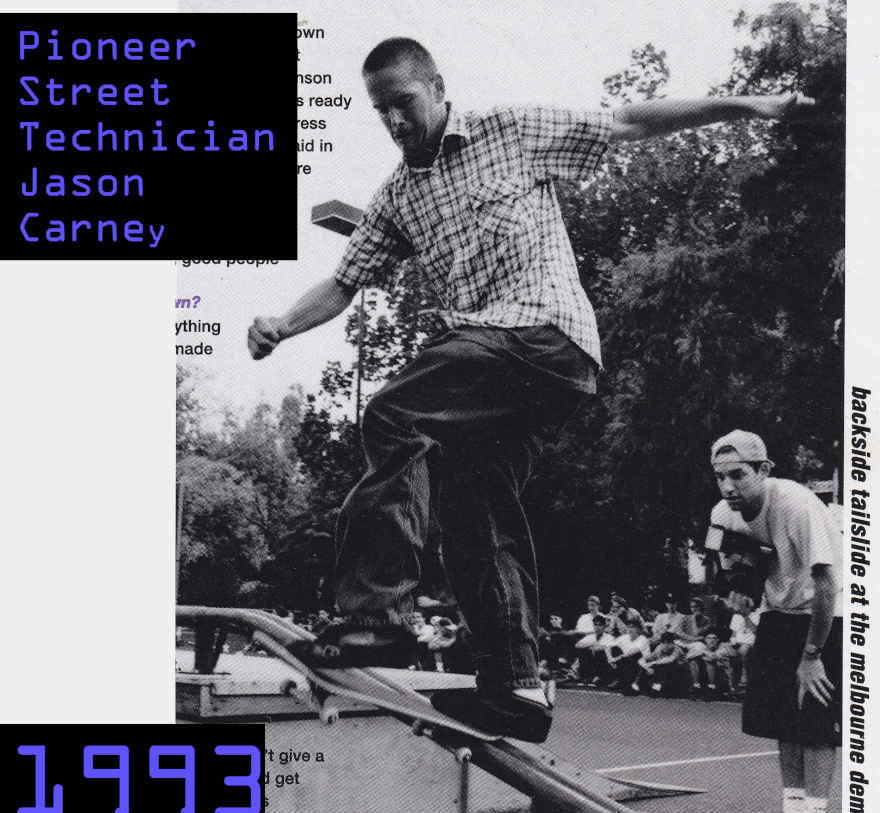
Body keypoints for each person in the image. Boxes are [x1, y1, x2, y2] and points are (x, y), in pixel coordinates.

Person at [247, 35, 816, 742]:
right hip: (503, 377)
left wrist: (748, 104)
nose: (393, 121)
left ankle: (376, 619)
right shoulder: (397, 196)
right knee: (474, 510)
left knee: (393, 413)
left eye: (404, 102)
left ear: (437, 87)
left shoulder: (510, 130)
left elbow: (628, 121)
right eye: (379, 110)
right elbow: (342, 284)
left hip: (543, 336)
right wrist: (282, 324)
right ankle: (515, 686)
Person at [707, 430, 841, 813]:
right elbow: (738, 572)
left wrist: (812, 656)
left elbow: (828, 585)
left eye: (738, 475)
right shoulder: (722, 514)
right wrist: (740, 592)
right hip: (780, 613)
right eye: (720, 476)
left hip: (831, 612)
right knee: (785, 720)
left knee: (815, 724)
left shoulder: (797, 505)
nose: (728, 486)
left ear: (764, 470)